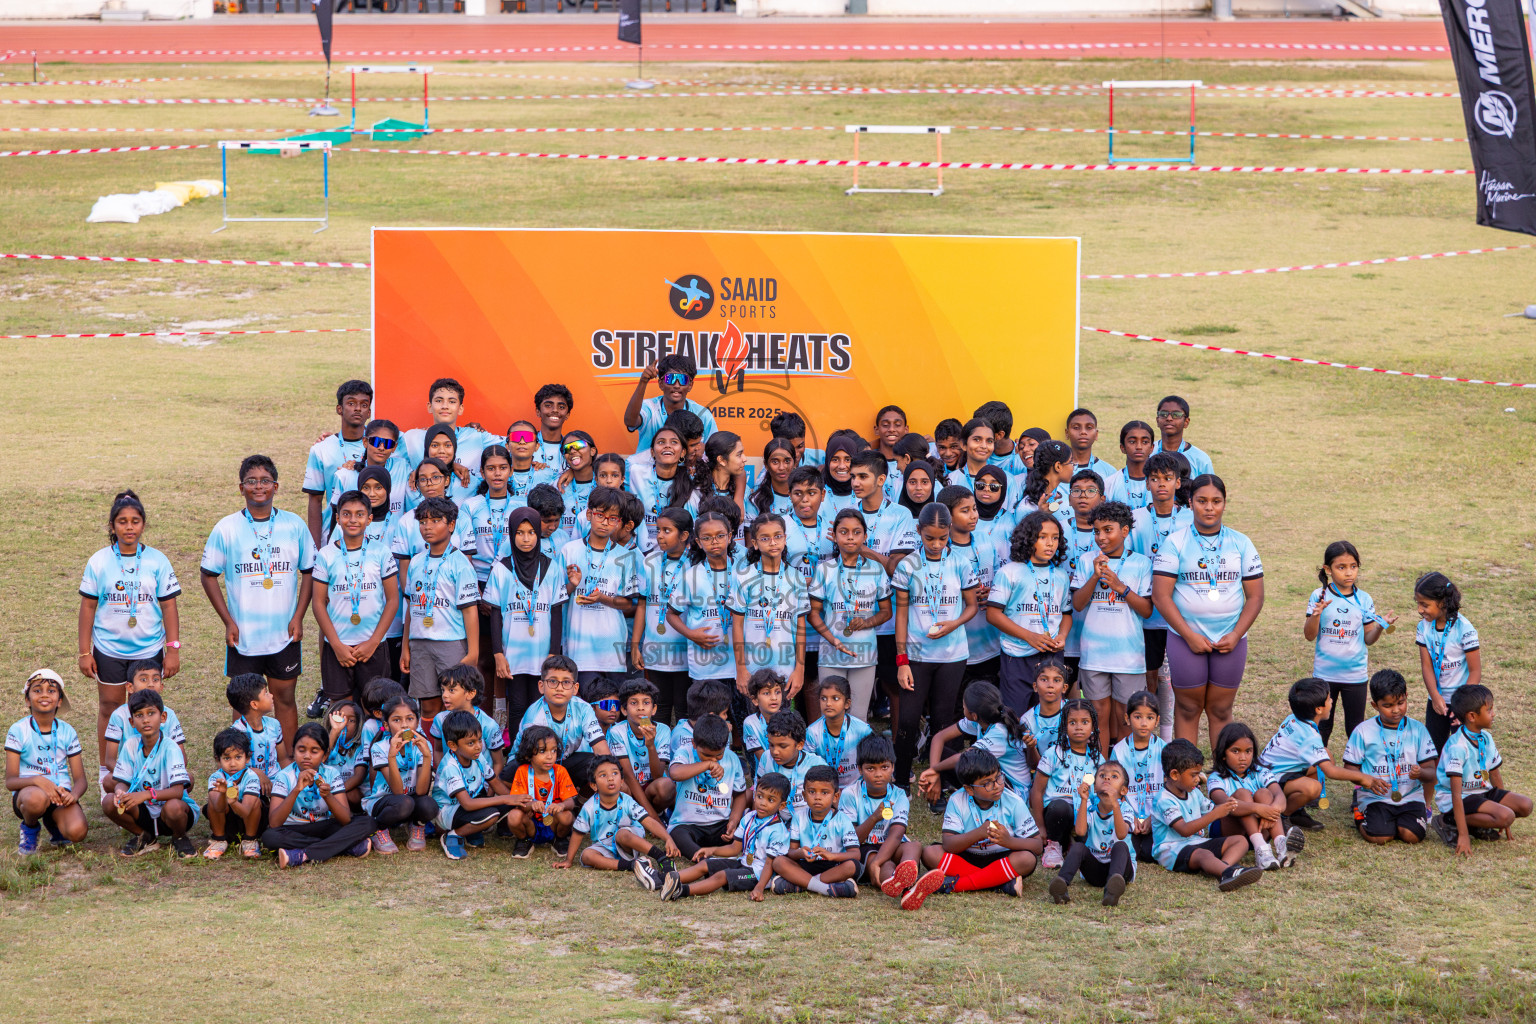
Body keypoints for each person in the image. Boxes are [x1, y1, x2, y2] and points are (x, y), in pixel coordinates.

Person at [201, 455, 316, 747]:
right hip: (244, 636)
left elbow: (310, 572)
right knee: (243, 704)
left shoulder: (294, 525)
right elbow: (208, 575)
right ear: (241, 488)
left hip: (283, 634)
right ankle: (242, 764)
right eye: (251, 481)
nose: (258, 486)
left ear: (276, 486)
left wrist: (299, 617)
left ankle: (289, 759)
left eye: (265, 481)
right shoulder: (227, 528)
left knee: (285, 699)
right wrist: (228, 621)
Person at [1151, 474, 1263, 748]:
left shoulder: (1242, 543)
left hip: (1230, 641)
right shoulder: (1175, 542)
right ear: (1190, 503)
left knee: (1221, 710)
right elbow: (1161, 596)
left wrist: (1236, 635)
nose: (1209, 507)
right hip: (1186, 640)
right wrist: (1188, 635)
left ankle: (1220, 778)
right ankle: (1185, 778)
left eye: (1216, 501)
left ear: (1225, 504)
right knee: (1188, 709)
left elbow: (1256, 597)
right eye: (1202, 501)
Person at [79, 490, 182, 769]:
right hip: (109, 649)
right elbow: (87, 608)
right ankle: (107, 770)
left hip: (148, 649)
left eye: (135, 521)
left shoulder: (158, 560)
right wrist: (84, 652)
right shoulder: (99, 561)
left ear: (143, 525)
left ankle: (149, 768)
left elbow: (169, 607)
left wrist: (172, 650)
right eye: (122, 522)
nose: (129, 527)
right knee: (110, 708)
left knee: (145, 711)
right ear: (112, 526)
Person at [892, 503, 977, 793]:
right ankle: (901, 779)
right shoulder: (907, 566)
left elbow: (972, 606)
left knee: (945, 719)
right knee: (908, 718)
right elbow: (901, 615)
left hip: (953, 656)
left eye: (943, 538)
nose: (937, 544)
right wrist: (902, 660)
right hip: (915, 656)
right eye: (930, 538)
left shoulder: (961, 563)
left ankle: (947, 780)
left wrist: (954, 624)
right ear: (919, 532)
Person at [900, 748, 1040, 910]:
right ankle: (1000, 884)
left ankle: (951, 885)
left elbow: (1036, 846)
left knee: (1027, 859)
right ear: (969, 789)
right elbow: (949, 844)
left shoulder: (1013, 801)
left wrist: (1008, 841)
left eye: (998, 777)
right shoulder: (957, 800)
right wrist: (980, 833)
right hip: (967, 857)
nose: (996, 786)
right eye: (987, 783)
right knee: (930, 853)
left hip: (1001, 858)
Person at [1072, 501, 1153, 753]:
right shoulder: (1087, 561)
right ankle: (1100, 768)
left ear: (1125, 531)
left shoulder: (1141, 564)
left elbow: (1147, 610)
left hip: (1128, 655)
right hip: (1094, 655)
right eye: (1096, 531)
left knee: (1124, 717)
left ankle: (1121, 770)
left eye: (1108, 530)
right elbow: (1077, 604)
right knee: (1097, 716)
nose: (1101, 537)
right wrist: (1095, 576)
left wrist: (1121, 587)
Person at [1259, 677, 1385, 832]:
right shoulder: (1308, 736)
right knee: (1313, 788)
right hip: (1267, 782)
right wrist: (1363, 777)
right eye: (1328, 699)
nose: (1332, 701)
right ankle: (1283, 816)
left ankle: (1297, 812)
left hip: (1272, 772)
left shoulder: (1294, 718)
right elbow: (1330, 771)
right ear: (1318, 709)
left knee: (1326, 754)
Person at [312, 490, 400, 708]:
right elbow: (318, 603)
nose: (353, 520)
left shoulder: (381, 552)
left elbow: (392, 601)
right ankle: (341, 743)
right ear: (337, 518)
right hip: (338, 646)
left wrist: (373, 642)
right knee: (341, 709)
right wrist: (336, 645)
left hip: (373, 645)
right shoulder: (326, 555)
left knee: (376, 708)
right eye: (346, 514)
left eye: (360, 514)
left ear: (369, 519)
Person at [1305, 541, 1398, 746]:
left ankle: (1358, 776)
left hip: (1355, 676)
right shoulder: (1319, 596)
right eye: (1341, 567)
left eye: (1353, 566)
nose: (1349, 573)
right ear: (1328, 569)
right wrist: (1315, 616)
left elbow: (1368, 639)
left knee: (1355, 729)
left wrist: (1380, 626)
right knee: (1321, 728)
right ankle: (1317, 775)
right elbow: (1309, 636)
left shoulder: (1364, 599)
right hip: (1324, 675)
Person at [485, 507, 567, 731]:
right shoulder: (502, 568)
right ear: (511, 535)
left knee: (540, 704)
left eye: (531, 532)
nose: (526, 539)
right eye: (519, 533)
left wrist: (553, 653)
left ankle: (538, 753)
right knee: (519, 705)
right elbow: (495, 614)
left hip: (543, 652)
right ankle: (516, 757)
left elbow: (557, 612)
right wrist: (498, 654)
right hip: (514, 653)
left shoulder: (551, 567)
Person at [400, 496, 480, 719]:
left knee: (455, 704)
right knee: (427, 706)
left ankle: (456, 751)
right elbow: (411, 607)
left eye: (435, 521)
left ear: (451, 525)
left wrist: (473, 652)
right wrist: (406, 646)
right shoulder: (416, 561)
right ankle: (433, 754)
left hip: (451, 642)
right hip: (420, 643)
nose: (428, 527)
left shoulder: (460, 563)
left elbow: (470, 610)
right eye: (423, 522)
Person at [1130, 451, 1192, 737]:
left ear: (1178, 482)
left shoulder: (1190, 519)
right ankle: (1148, 738)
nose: (1161, 485)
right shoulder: (1135, 518)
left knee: (1180, 683)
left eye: (1168, 478)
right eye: (1154, 479)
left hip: (1181, 614)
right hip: (1145, 615)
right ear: (1146, 484)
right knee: (1150, 680)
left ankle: (1171, 740)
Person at [809, 509, 890, 725]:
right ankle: (830, 759)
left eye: (856, 532)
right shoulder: (824, 570)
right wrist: (832, 639)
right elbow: (813, 613)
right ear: (834, 536)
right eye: (843, 532)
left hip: (864, 654)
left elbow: (886, 612)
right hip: (830, 653)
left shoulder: (876, 570)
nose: (850, 537)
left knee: (858, 717)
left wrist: (866, 622)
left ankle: (855, 760)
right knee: (831, 715)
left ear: (865, 536)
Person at [1430, 684, 1531, 856]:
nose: (1494, 714)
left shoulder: (1486, 738)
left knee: (1525, 806)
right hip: (1460, 797)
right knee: (1506, 816)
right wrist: (1463, 836)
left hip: (1482, 791)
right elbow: (1455, 794)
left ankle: (1478, 824)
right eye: (1489, 710)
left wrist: (1501, 818)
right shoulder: (1458, 746)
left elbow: (1494, 774)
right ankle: (1448, 821)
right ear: (1472, 716)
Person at [660, 772, 791, 903]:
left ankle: (680, 891)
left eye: (771, 800)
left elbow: (769, 864)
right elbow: (735, 848)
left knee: (722, 876)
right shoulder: (749, 817)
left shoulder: (778, 831)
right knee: (706, 863)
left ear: (782, 805)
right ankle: (661, 880)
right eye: (760, 796)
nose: (762, 803)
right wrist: (712, 851)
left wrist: (759, 888)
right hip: (743, 862)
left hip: (758, 874)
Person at [1151, 738, 1263, 891]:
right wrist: (1216, 814)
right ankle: (1227, 872)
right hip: (1172, 851)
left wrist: (1230, 807)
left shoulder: (1194, 793)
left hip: (1196, 842)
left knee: (1240, 841)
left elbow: (1212, 809)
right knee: (1203, 854)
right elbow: (1184, 830)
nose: (1198, 779)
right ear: (1175, 774)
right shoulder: (1163, 800)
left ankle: (1224, 869)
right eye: (1193, 775)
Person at [988, 511, 1072, 713]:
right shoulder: (1010, 572)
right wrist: (1029, 636)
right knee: (1015, 714)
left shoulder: (1060, 575)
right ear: (1028, 538)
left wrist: (1062, 635)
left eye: (1055, 538)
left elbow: (1066, 614)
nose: (1050, 543)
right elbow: (992, 614)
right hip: (1017, 655)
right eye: (1042, 537)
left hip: (1052, 654)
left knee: (1049, 712)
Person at [1343, 669, 1438, 847]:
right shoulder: (1363, 731)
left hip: (1410, 796)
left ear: (1406, 697)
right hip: (1375, 798)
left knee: (1411, 836)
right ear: (1374, 705)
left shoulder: (1418, 730)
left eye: (1401, 703)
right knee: (1380, 837)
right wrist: (1367, 780)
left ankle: (1402, 819)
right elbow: (1349, 769)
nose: (1396, 710)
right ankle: (1359, 812)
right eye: (1388, 706)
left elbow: (1432, 772)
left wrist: (1421, 773)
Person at [263, 721, 375, 867]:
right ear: (294, 750)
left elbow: (346, 819)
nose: (307, 756)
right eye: (301, 750)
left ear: (324, 755)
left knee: (368, 822)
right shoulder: (284, 776)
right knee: (270, 836)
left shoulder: (331, 773)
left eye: (314, 751)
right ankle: (344, 847)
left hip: (324, 826)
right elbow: (274, 822)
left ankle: (302, 854)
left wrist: (328, 796)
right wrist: (296, 789)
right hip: (294, 829)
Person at [560, 485, 641, 688]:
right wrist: (572, 584)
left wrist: (602, 598)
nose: (605, 522)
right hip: (579, 649)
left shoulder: (625, 556)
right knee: (587, 703)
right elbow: (557, 597)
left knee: (611, 706)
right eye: (600, 515)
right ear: (589, 514)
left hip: (612, 650)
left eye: (613, 518)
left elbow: (627, 604)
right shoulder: (570, 550)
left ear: (619, 522)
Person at [557, 753, 679, 886]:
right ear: (593, 785)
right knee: (587, 855)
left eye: (614, 773)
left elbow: (648, 821)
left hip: (628, 840)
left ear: (621, 781)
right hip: (605, 845)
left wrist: (668, 838)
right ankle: (633, 865)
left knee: (621, 834)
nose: (610, 779)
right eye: (603, 775)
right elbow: (578, 833)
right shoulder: (589, 807)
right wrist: (569, 860)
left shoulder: (626, 801)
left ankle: (662, 858)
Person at [505, 655, 611, 807]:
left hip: (562, 762)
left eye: (566, 682)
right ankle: (531, 804)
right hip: (530, 765)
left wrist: (609, 773)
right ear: (541, 686)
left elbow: (601, 747)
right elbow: (531, 759)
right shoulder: (535, 717)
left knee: (599, 763)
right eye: (553, 681)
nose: (559, 688)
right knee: (515, 769)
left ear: (575, 689)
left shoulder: (584, 708)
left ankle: (578, 802)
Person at [106, 689, 197, 858]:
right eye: (139, 715)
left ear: (162, 718)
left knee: (174, 806)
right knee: (108, 802)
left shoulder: (171, 747)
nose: (146, 719)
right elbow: (122, 780)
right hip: (145, 811)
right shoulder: (131, 745)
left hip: (172, 813)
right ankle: (145, 836)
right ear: (132, 722)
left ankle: (179, 836)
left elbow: (178, 792)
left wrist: (145, 795)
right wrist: (120, 791)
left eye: (151, 713)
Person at [6, 669, 88, 855]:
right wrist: (38, 780)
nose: (44, 694)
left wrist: (73, 795)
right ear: (27, 700)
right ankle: (30, 828)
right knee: (36, 799)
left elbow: (81, 780)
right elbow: (10, 781)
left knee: (77, 832)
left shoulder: (67, 731)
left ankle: (54, 824)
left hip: (60, 795)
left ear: (59, 700)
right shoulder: (18, 730)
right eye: (37, 690)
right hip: (29, 793)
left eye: (51, 690)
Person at [731, 513, 808, 700]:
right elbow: (737, 625)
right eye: (765, 538)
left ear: (785, 539)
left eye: (778, 536)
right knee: (753, 719)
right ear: (755, 544)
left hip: (786, 668)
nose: (773, 542)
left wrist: (799, 669)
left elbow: (800, 628)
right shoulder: (743, 576)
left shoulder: (796, 578)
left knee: (782, 723)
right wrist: (741, 668)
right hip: (752, 668)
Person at [631, 508, 692, 725]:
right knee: (660, 708)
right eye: (658, 530)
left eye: (667, 530)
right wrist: (636, 644)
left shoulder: (695, 563)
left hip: (686, 652)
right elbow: (642, 604)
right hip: (655, 649)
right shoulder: (650, 561)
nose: (659, 535)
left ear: (684, 536)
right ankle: (663, 756)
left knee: (685, 709)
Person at [919, 681, 1029, 798]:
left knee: (969, 762)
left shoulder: (999, 732)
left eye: (964, 706)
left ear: (974, 715)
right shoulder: (982, 719)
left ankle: (978, 802)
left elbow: (965, 757)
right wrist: (935, 775)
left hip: (1015, 791)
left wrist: (935, 769)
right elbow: (939, 738)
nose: (962, 707)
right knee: (943, 755)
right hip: (996, 777)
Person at [939, 485, 1004, 686]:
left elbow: (997, 574)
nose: (973, 515)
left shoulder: (985, 539)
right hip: (956, 642)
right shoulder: (941, 550)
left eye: (974, 508)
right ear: (947, 516)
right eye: (965, 511)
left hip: (988, 639)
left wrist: (991, 592)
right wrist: (966, 594)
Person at [839, 734, 920, 894]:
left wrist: (878, 861)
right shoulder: (850, 794)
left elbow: (897, 834)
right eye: (871, 768)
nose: (878, 774)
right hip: (863, 847)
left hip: (891, 843)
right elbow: (852, 839)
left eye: (884, 767)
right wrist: (875, 817)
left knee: (914, 846)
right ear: (859, 769)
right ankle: (901, 884)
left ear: (893, 767)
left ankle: (907, 880)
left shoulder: (899, 795)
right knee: (885, 865)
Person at [433, 709, 518, 860]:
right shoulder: (450, 767)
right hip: (447, 810)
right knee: (492, 815)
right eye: (471, 743)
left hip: (468, 803)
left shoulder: (477, 757)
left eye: (479, 740)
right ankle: (453, 835)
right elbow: (467, 804)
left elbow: (496, 784)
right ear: (452, 745)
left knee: (512, 802)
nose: (478, 746)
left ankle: (472, 831)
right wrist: (505, 799)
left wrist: (517, 799)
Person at [1047, 760, 1135, 907]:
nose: (1107, 778)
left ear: (1123, 790)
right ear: (1094, 786)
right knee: (1078, 847)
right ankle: (1061, 883)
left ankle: (1112, 891)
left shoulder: (1126, 808)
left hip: (1121, 870)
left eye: (1114, 776)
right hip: (1095, 871)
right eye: (1102, 775)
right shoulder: (1090, 807)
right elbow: (1080, 831)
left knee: (1120, 846)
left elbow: (1121, 834)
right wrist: (1083, 800)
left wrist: (1115, 804)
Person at [668, 511, 739, 690]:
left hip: (739, 664)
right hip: (705, 666)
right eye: (707, 538)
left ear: (730, 537)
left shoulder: (744, 573)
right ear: (698, 542)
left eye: (720, 536)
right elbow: (671, 614)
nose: (714, 541)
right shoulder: (691, 576)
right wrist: (691, 634)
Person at [766, 764, 861, 897]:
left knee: (852, 866)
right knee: (779, 862)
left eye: (824, 792)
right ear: (804, 795)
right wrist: (801, 853)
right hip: (805, 865)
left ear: (835, 796)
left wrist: (831, 855)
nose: (817, 797)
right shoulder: (799, 816)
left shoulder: (843, 819)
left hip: (833, 866)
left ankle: (799, 884)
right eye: (812, 792)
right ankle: (826, 888)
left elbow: (856, 854)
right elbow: (791, 851)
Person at [1030, 699, 1103, 871]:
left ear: (1093, 727)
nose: (1079, 727)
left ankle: (1073, 844)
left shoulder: (1097, 758)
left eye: (1084, 722)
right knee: (1060, 808)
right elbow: (1037, 791)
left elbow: (1100, 794)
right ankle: (1053, 844)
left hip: (1084, 813)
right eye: (1072, 722)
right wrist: (1039, 827)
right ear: (1064, 726)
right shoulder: (1053, 754)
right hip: (1057, 812)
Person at [666, 714, 749, 861]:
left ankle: (718, 855)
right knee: (677, 835)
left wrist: (734, 821)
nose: (713, 759)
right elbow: (675, 773)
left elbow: (740, 795)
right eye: (706, 755)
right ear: (693, 743)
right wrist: (706, 765)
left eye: (719, 755)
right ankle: (704, 860)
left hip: (719, 824)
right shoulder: (685, 751)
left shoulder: (732, 758)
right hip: (688, 824)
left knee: (743, 833)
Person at [1208, 722, 1289, 870]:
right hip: (1228, 834)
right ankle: (1260, 849)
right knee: (1242, 794)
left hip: (1260, 828)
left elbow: (1280, 797)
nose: (1243, 757)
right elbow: (1226, 803)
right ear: (1223, 754)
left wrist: (1270, 811)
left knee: (1264, 793)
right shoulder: (1216, 778)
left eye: (1248, 751)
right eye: (1236, 751)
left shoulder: (1260, 772)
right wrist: (1258, 809)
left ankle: (1281, 844)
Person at [1413, 571, 1479, 752]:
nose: (1420, 609)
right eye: (1418, 603)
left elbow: (1475, 671)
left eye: (1424, 604)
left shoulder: (1464, 628)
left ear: (1442, 603)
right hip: (1436, 700)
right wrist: (1434, 696)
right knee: (1433, 750)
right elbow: (1426, 666)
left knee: (1464, 749)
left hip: (1462, 703)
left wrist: (1462, 705)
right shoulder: (1423, 627)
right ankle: (1436, 781)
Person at [362, 693, 436, 854]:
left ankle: (417, 825)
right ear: (386, 726)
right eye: (396, 720)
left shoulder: (424, 745)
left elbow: (422, 791)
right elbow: (397, 791)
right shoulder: (379, 748)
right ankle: (378, 829)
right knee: (404, 802)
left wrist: (427, 756)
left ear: (418, 721)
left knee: (429, 805)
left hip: (410, 798)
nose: (404, 726)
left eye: (410, 719)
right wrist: (392, 756)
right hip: (384, 802)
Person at [303, 379, 373, 544]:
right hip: (334, 535)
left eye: (364, 405)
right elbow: (315, 500)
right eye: (351, 403)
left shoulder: (380, 445)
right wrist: (315, 548)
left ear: (369, 412)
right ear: (339, 409)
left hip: (373, 534)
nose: (357, 408)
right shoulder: (321, 449)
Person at [505, 724, 578, 859]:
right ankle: (524, 840)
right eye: (542, 751)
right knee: (513, 816)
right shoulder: (522, 772)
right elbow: (517, 802)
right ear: (528, 754)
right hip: (531, 823)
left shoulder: (560, 771)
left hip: (552, 823)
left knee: (567, 816)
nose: (550, 756)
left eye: (554, 750)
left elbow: (570, 802)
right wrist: (531, 804)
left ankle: (559, 839)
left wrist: (561, 805)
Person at [607, 677, 675, 818]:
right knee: (619, 785)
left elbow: (657, 775)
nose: (640, 708)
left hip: (651, 787)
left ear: (654, 709)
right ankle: (643, 815)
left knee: (666, 785)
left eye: (646, 702)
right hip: (629, 789)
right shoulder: (617, 732)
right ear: (624, 710)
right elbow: (629, 776)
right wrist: (653, 820)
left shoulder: (663, 731)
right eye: (633, 703)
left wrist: (650, 746)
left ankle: (653, 812)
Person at [1109, 691, 1165, 863]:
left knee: (1149, 853)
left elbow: (1169, 789)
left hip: (1155, 817)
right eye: (1137, 717)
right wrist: (1130, 817)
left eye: (1149, 717)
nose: (1143, 723)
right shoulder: (1119, 751)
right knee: (1125, 848)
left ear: (1157, 720)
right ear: (1127, 718)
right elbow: (1114, 790)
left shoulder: (1164, 749)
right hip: (1128, 816)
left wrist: (1152, 817)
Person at [624, 354, 718, 455]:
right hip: (647, 469)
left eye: (683, 380)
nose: (676, 385)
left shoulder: (702, 414)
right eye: (670, 379)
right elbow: (630, 422)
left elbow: (715, 450)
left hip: (685, 469)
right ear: (661, 383)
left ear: (690, 385)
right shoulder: (650, 407)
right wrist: (643, 381)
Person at [400, 377, 497, 474]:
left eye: (452, 402)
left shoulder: (476, 436)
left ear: (460, 408)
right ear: (429, 407)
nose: (445, 406)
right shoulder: (412, 438)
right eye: (439, 401)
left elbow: (510, 444)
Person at [429, 665, 506, 780]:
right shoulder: (440, 720)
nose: (444, 695)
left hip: (481, 786)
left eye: (451, 690)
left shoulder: (488, 725)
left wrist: (489, 792)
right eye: (443, 690)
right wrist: (444, 775)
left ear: (470, 693)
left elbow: (498, 762)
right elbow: (438, 750)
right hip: (451, 784)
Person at [203, 728, 264, 860]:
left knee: (256, 802)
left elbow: (246, 811)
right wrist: (222, 794)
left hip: (245, 818)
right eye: (226, 758)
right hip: (226, 821)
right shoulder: (215, 778)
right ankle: (219, 840)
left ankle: (250, 840)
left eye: (238, 757)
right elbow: (218, 808)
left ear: (247, 758)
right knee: (211, 803)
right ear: (218, 760)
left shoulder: (251, 777)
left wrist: (233, 801)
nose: (232, 764)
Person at [628, 426, 691, 553]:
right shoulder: (637, 473)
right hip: (643, 550)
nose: (667, 446)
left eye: (674, 442)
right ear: (652, 452)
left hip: (677, 552)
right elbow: (636, 515)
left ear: (683, 452)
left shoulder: (689, 480)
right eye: (661, 442)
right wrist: (646, 552)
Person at [804, 675, 871, 791]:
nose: (828, 703)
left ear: (847, 703)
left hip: (858, 788)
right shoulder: (812, 732)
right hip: (824, 789)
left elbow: (872, 762)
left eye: (835, 698)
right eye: (823, 698)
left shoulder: (862, 730)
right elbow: (807, 766)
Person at [227, 672, 286, 794]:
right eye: (266, 693)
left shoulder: (274, 725)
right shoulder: (235, 733)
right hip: (247, 784)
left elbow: (283, 758)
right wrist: (256, 773)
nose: (271, 695)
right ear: (254, 704)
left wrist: (291, 778)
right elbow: (230, 768)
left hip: (276, 783)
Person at [764, 709, 828, 814]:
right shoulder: (766, 758)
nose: (775, 751)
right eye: (771, 745)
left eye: (782, 746)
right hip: (775, 821)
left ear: (800, 745)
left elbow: (826, 801)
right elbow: (760, 791)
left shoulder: (817, 765)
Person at [1020, 658, 1068, 779]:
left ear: (1064, 688)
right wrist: (1031, 747)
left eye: (1056, 680)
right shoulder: (1027, 720)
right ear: (1035, 687)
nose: (1050, 685)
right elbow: (1033, 765)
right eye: (1044, 679)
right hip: (1043, 776)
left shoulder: (1074, 712)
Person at [1151, 395, 1214, 478]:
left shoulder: (1200, 459)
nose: (1169, 418)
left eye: (1176, 415)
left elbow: (1209, 489)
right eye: (1163, 414)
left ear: (1186, 422)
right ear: (1157, 420)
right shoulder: (1148, 452)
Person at [1064, 409, 1121, 498]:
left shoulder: (1109, 472)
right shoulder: (1058, 471)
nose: (1083, 432)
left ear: (1096, 434)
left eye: (1089, 427)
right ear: (1067, 433)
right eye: (1076, 427)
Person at [323, 699, 368, 810]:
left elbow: (359, 777)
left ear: (358, 725)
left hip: (345, 791)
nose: (345, 723)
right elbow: (320, 760)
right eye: (340, 718)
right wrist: (334, 732)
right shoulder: (323, 742)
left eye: (351, 720)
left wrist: (335, 792)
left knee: (352, 795)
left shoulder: (360, 748)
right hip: (324, 789)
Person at [502, 420, 559, 503]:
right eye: (515, 437)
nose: (522, 442)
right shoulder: (499, 474)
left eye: (528, 437)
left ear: (537, 446)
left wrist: (571, 472)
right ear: (507, 446)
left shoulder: (547, 474)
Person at [742, 670, 784, 779]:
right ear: (755, 700)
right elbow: (763, 759)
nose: (774, 697)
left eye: (777, 692)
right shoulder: (750, 723)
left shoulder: (789, 720)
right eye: (766, 693)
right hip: (765, 777)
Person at [1110, 420, 1155, 510]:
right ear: (1122, 448)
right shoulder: (1110, 483)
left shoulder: (1161, 483)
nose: (1139, 447)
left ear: (1152, 448)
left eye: (1145, 442)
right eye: (1132, 442)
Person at [532, 383, 575, 469]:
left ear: (567, 414)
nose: (555, 410)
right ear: (538, 411)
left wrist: (574, 472)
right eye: (548, 405)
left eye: (561, 407)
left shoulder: (572, 449)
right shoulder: (523, 444)